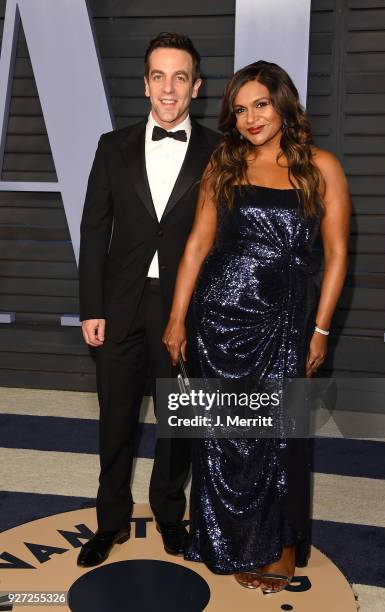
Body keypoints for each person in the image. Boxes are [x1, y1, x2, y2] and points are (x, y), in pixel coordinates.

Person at [163, 61, 350, 594]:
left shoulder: (321, 166)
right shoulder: (226, 162)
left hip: (285, 322)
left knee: (281, 438)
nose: (250, 118)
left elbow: (337, 254)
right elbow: (198, 244)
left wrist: (320, 330)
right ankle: (230, 542)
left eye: (260, 105)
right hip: (218, 320)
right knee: (224, 437)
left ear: (283, 103)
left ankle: (281, 550)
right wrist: (177, 317)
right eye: (240, 109)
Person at [77, 32, 219, 567]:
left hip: (184, 308)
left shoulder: (217, 152)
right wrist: (92, 307)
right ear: (144, 85)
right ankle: (109, 522)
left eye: (180, 77)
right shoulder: (111, 146)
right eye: (159, 75)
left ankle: (168, 515)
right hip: (119, 306)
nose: (168, 87)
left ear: (196, 87)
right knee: (115, 420)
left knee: (177, 424)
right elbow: (95, 231)